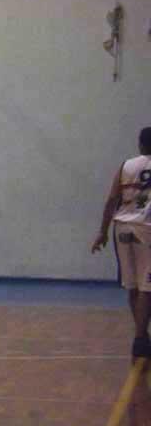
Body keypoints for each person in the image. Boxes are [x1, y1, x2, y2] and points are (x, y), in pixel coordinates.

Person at [92, 127, 151, 358]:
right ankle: (140, 339)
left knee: (132, 285)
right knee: (147, 287)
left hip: (122, 228)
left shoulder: (126, 166)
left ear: (140, 144)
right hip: (147, 228)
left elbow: (111, 200)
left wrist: (102, 232)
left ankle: (142, 337)